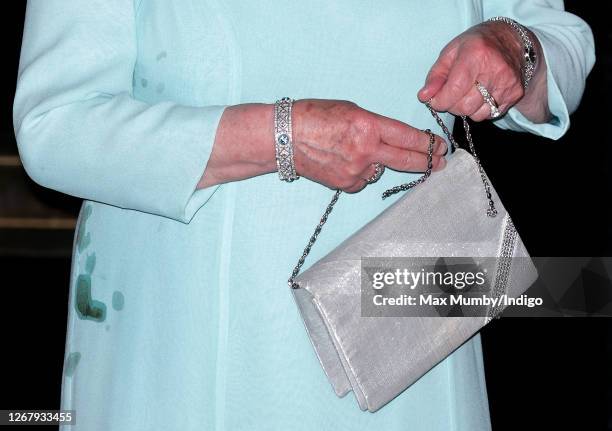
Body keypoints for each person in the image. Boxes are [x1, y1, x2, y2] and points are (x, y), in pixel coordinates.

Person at [13, 0, 594, 430]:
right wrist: (282, 136)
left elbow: (558, 40)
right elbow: (56, 124)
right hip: (190, 351)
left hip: (416, 331)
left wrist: (515, 48)